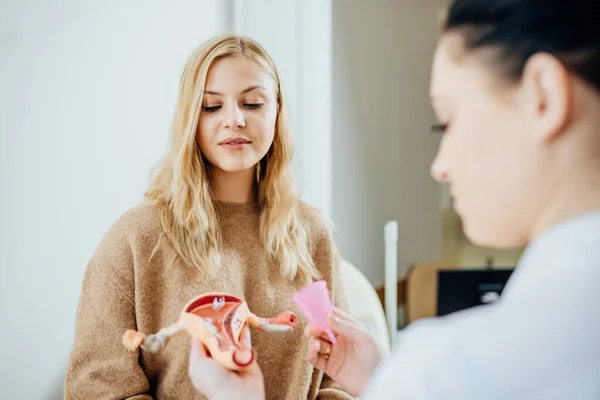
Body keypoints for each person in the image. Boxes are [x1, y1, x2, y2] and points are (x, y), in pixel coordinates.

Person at [193, 0, 600, 398]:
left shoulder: (451, 369)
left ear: (542, 95)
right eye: (212, 105)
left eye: (447, 121)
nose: (439, 167)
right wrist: (383, 382)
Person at [65, 34, 354, 400]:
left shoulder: (312, 234)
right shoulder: (136, 239)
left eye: (252, 103)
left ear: (277, 111)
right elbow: (97, 389)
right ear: (190, 118)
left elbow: (339, 380)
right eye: (211, 106)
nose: (234, 120)